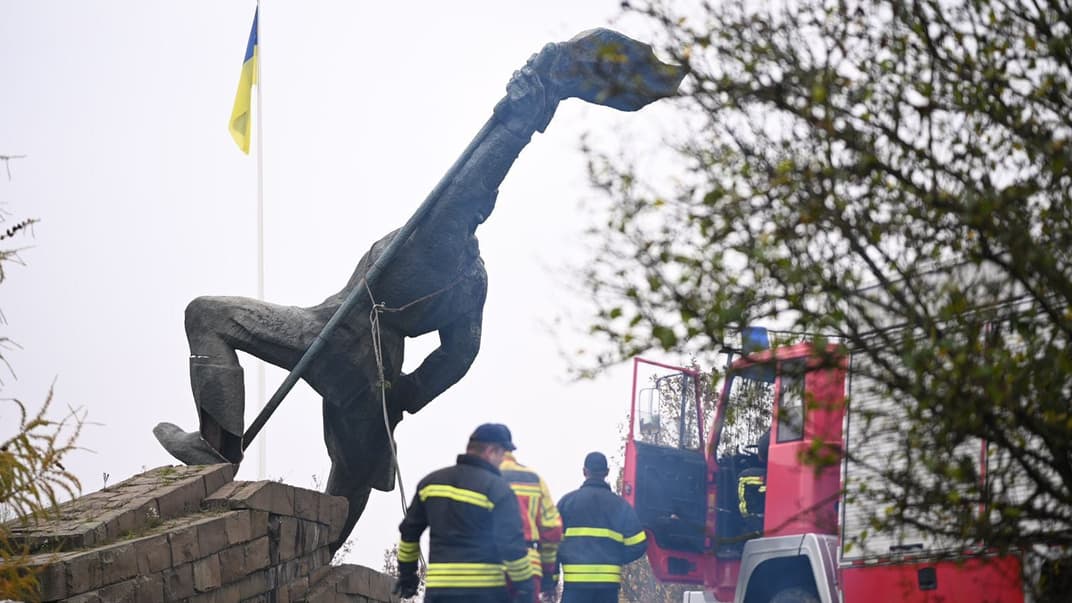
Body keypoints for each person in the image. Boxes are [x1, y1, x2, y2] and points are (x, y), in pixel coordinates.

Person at [395, 423, 536, 602]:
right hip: (485, 593)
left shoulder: (431, 484)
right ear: (491, 451)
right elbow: (511, 545)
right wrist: (525, 588)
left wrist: (407, 575)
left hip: (440, 593)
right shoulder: (497, 489)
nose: (502, 460)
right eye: (502, 454)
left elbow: (409, 533)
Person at [556, 452, 648, 603]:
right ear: (607, 472)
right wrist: (615, 557)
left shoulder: (567, 503)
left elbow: (552, 544)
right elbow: (638, 544)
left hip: (575, 588)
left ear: (584, 471)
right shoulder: (620, 506)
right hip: (607, 589)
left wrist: (551, 581)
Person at [500, 447, 563, 601]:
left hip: (489, 565)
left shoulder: (477, 478)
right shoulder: (534, 479)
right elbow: (552, 530)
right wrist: (548, 573)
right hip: (529, 564)